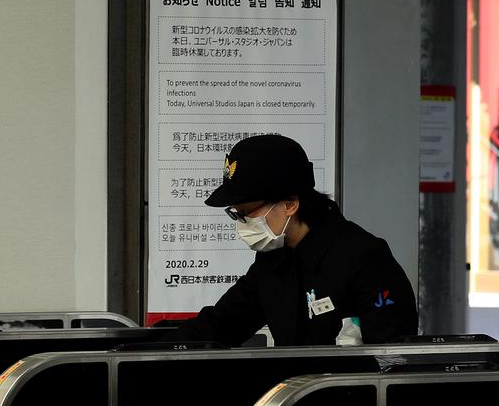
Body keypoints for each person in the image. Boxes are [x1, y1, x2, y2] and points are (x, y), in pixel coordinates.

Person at [168, 134, 417, 346]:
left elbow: (393, 355)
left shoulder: (363, 259)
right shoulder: (274, 259)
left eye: (247, 212)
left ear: (290, 204)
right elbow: (224, 323)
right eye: (236, 213)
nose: (242, 222)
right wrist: (148, 350)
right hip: (294, 396)